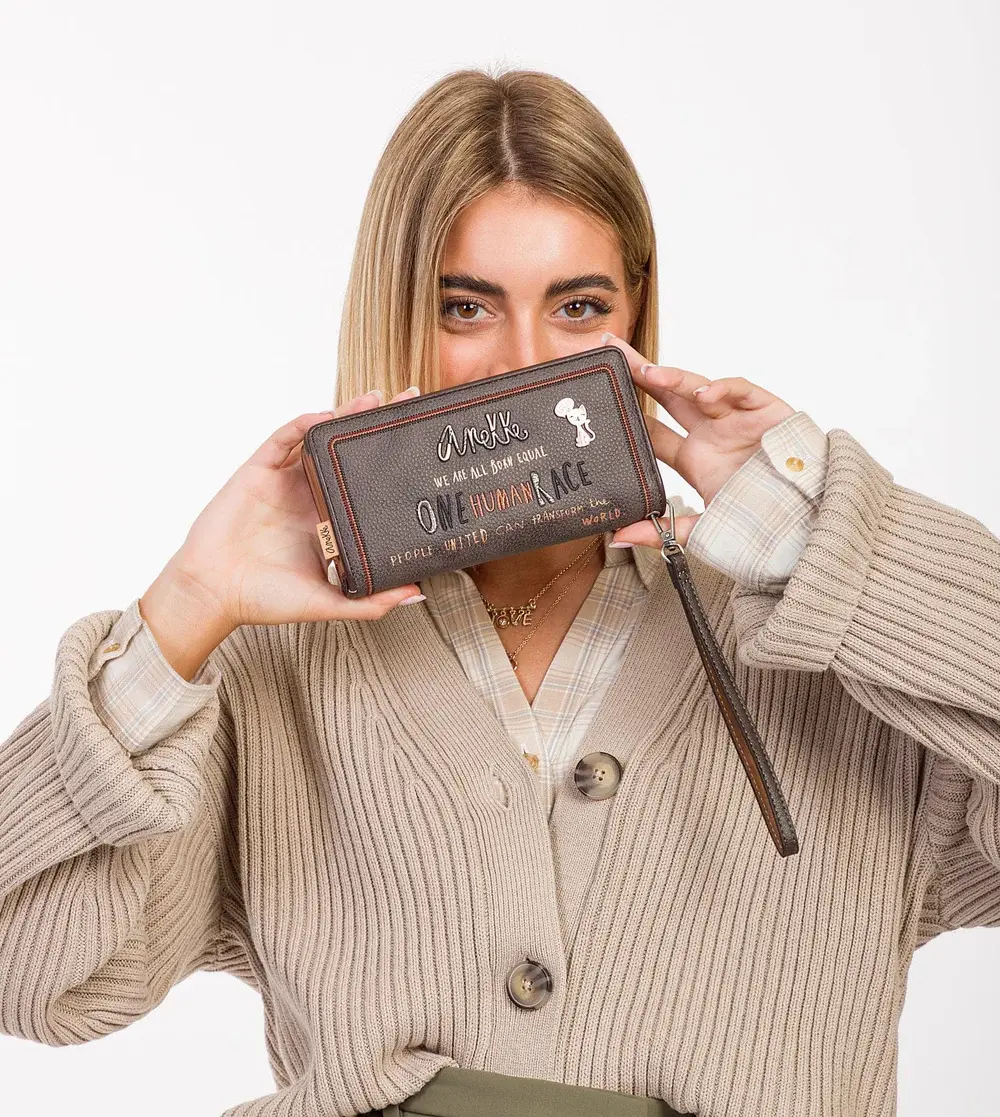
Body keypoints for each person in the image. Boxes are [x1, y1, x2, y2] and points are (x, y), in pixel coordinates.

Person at [2, 65, 999, 1117]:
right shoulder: (275, 661)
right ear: (393, 315)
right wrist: (187, 605)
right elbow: (30, 968)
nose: (523, 365)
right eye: (465, 308)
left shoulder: (836, 639)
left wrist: (826, 539)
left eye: (578, 307)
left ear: (638, 317)